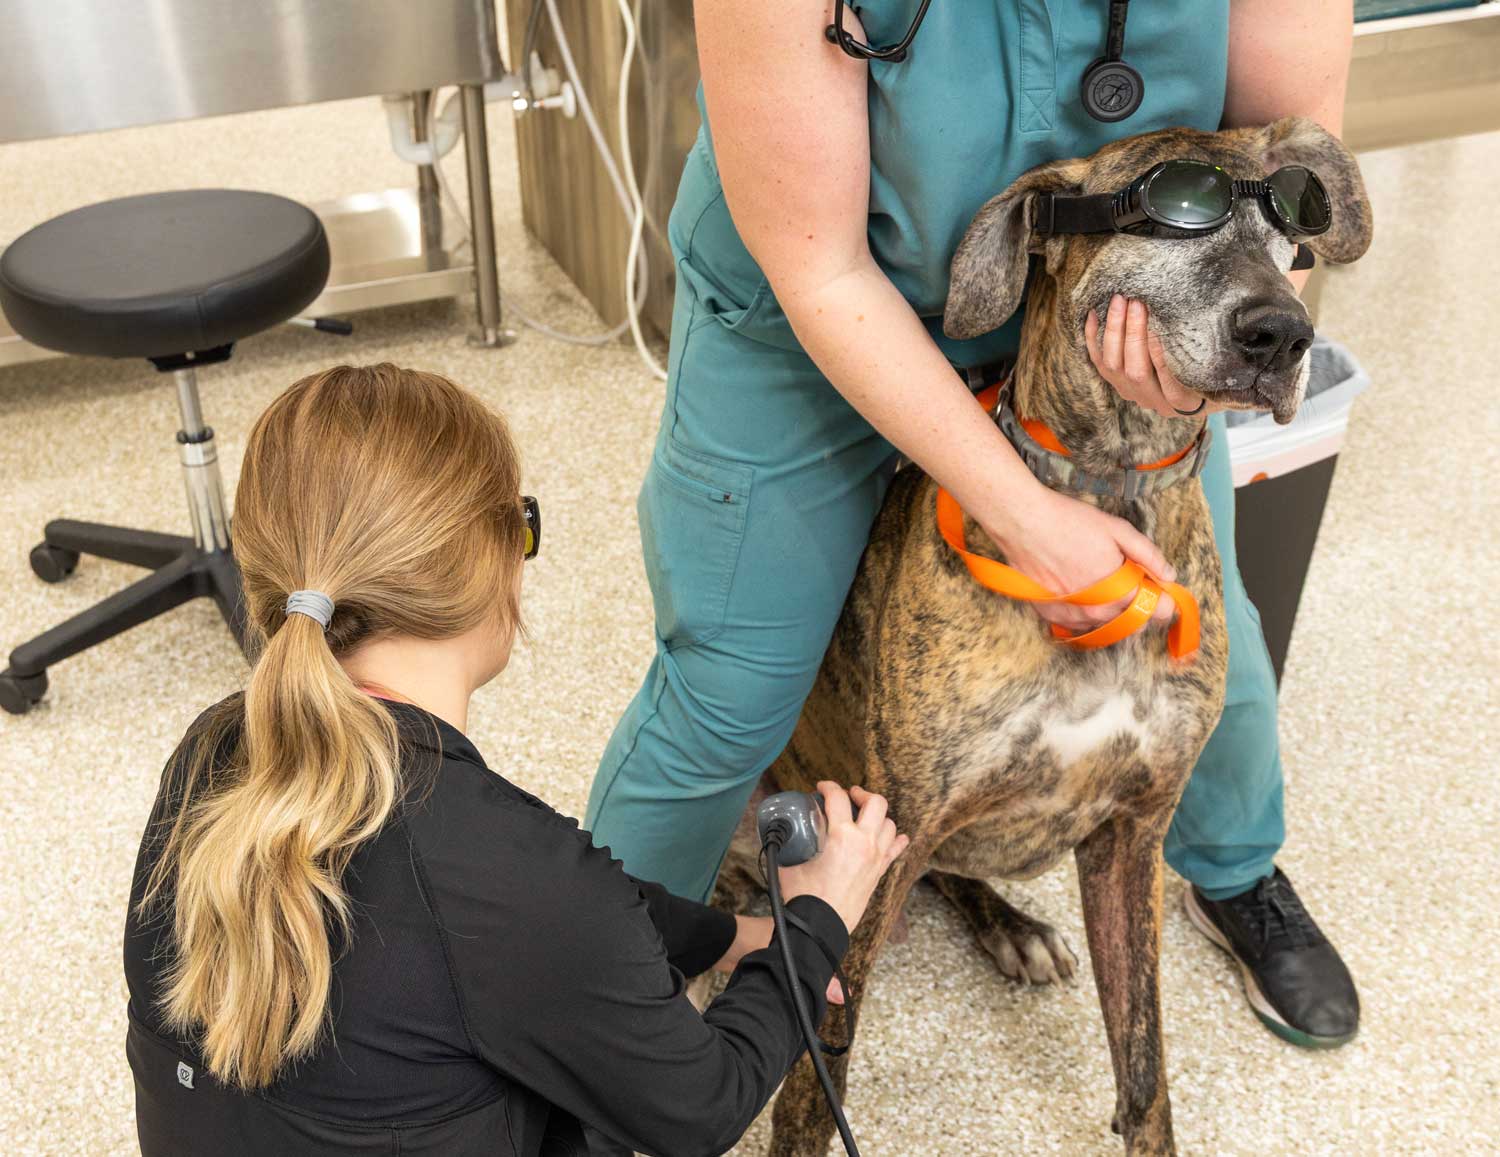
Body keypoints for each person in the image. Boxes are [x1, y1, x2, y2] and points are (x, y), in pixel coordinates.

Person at [587, 0, 1360, 1048]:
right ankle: (597, 982)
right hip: (815, 311)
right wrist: (1022, 508)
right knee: (730, 688)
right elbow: (818, 265)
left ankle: (1232, 872)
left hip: (1112, 316)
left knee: (1203, 658)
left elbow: (1297, 158)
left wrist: (1207, 349)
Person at [124, 364, 909, 1156]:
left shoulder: (210, 749)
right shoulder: (503, 871)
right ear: (490, 560)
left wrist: (731, 936)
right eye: (521, 526)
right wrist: (818, 919)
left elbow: (541, 915)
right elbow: (701, 1105)